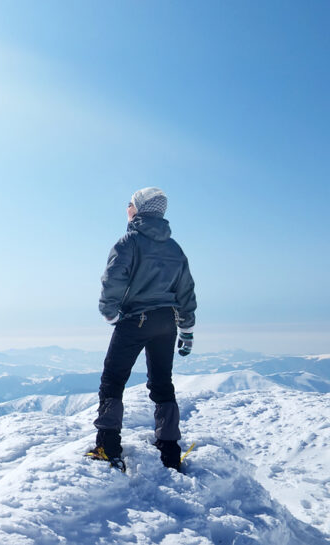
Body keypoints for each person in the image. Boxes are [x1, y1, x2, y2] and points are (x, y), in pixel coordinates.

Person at [87, 187, 196, 472]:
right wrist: (186, 329)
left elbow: (112, 280)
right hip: (166, 322)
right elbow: (186, 291)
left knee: (112, 380)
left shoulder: (129, 242)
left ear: (138, 209)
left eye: (129, 203)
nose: (126, 207)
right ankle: (169, 448)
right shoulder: (175, 249)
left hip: (135, 319)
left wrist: (110, 313)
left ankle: (107, 446)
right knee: (162, 382)